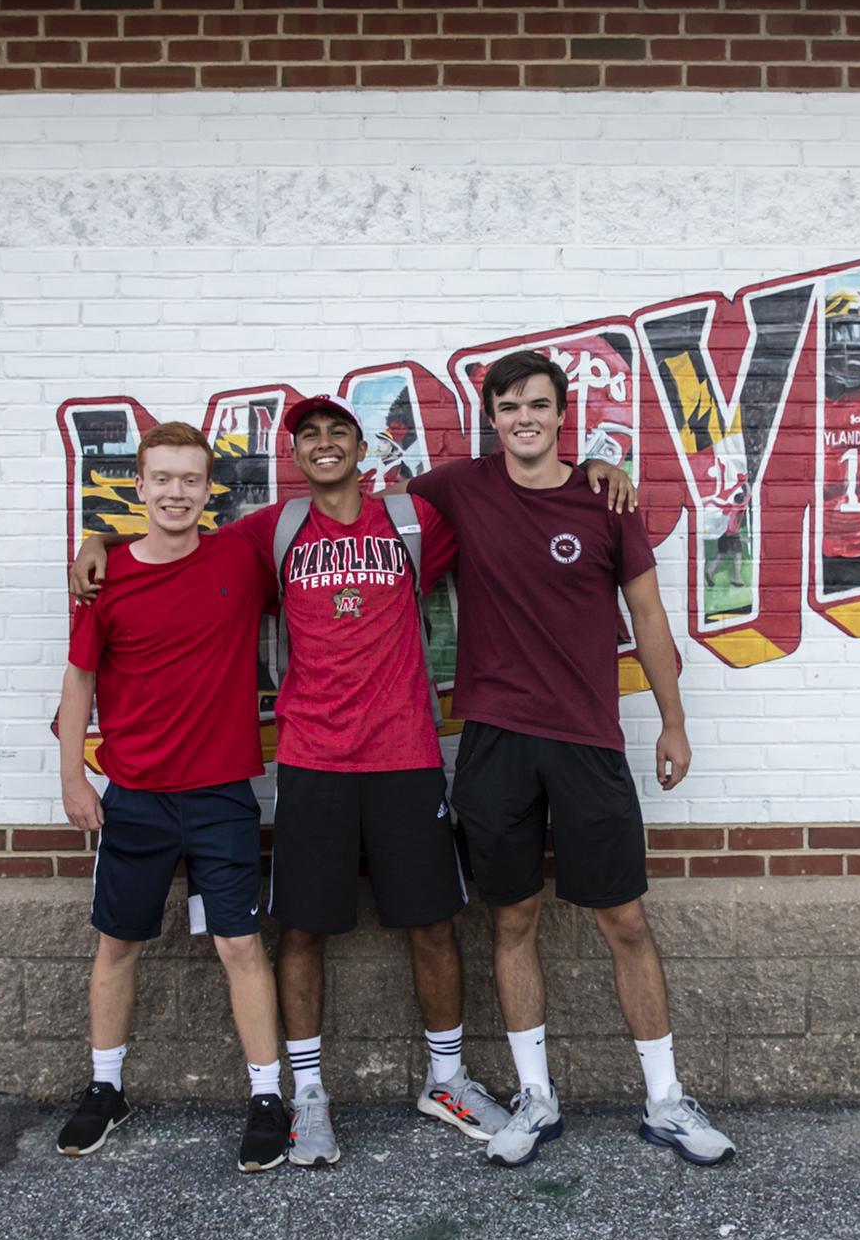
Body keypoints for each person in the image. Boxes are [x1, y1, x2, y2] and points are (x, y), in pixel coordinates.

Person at [70, 393, 637, 1167]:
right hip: (311, 758)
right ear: (295, 456)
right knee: (301, 929)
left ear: (361, 448)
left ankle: (445, 1078)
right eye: (310, 436)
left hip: (405, 755)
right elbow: (171, 543)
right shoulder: (269, 532)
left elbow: (511, 486)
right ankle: (307, 1095)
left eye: (339, 431)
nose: (325, 444)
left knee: (432, 923)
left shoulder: (413, 520)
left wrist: (592, 473)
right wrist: (99, 536)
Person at [408, 349, 735, 1168]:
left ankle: (665, 1100)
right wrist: (104, 539)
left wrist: (673, 721)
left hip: (588, 739)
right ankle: (536, 1098)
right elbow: (349, 511)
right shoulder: (460, 488)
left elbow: (651, 618)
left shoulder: (604, 498)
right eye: (509, 406)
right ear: (493, 418)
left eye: (539, 405)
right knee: (513, 918)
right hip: (494, 740)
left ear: (563, 415)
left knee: (623, 918)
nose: (524, 418)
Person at [54, 421, 289, 1173]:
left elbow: (328, 511)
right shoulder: (107, 576)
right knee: (118, 942)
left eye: (191, 480)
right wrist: (72, 777)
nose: (177, 493)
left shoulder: (241, 557)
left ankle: (266, 1097)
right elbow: (80, 680)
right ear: (140, 487)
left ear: (208, 488)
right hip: (136, 797)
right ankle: (105, 1088)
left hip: (221, 792)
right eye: (163, 480)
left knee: (240, 944)